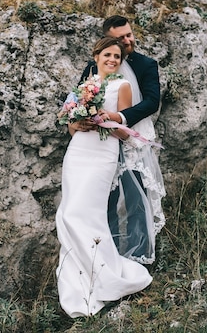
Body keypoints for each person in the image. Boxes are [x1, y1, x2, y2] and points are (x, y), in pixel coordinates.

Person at [56, 37, 152, 318]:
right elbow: (70, 127)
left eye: (117, 57)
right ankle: (76, 282)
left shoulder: (122, 86)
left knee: (87, 214)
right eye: (108, 54)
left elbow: (124, 130)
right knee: (69, 212)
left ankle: (107, 277)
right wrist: (81, 121)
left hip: (103, 154)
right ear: (96, 56)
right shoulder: (83, 87)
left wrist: (106, 119)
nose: (112, 60)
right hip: (78, 152)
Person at [71, 15, 166, 264]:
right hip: (101, 143)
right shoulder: (94, 67)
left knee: (136, 196)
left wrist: (118, 118)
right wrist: (78, 120)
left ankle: (141, 256)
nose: (127, 41)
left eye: (129, 34)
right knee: (106, 197)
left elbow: (151, 102)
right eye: (120, 38)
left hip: (133, 137)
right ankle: (108, 258)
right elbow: (77, 98)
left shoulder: (146, 64)